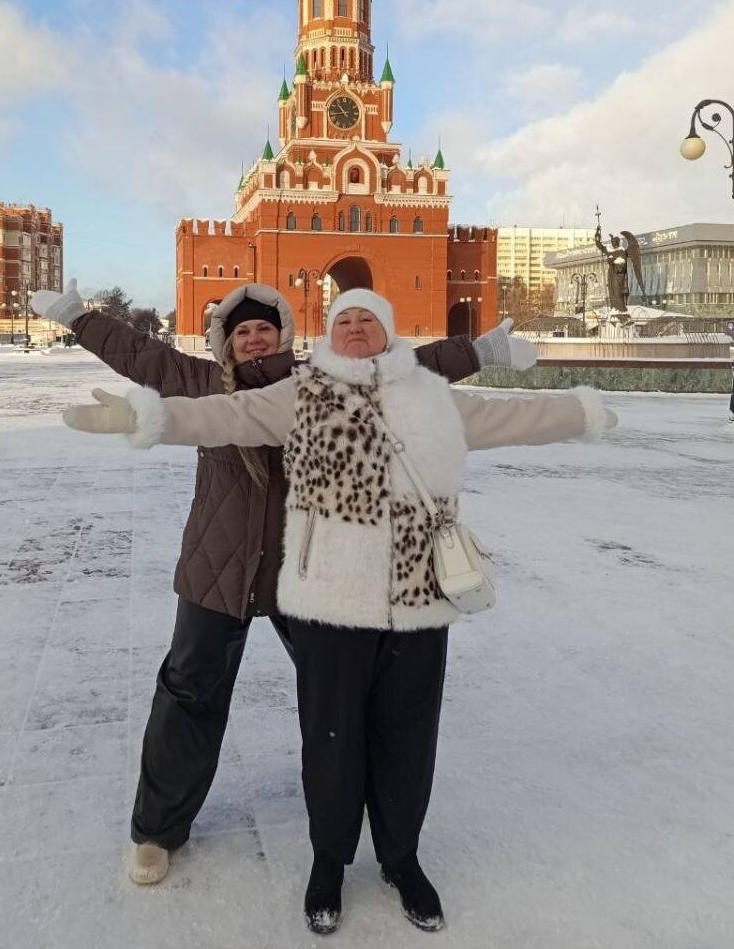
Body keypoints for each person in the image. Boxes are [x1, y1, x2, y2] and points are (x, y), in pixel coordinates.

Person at [63, 288, 617, 934]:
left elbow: (496, 412)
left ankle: (398, 854)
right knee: (280, 719)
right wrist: (140, 412)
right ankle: (271, 848)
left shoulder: (411, 391)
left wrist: (575, 410)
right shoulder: (283, 391)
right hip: (296, 585)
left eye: (367, 319)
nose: (355, 328)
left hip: (399, 593)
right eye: (343, 319)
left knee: (398, 731)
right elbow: (212, 412)